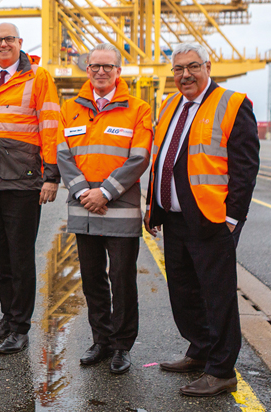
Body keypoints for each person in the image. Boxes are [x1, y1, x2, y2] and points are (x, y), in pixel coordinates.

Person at [144, 42, 259, 397]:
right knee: (183, 293)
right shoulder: (170, 105)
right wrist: (155, 208)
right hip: (175, 219)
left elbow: (245, 167)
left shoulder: (232, 104)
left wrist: (231, 218)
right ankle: (200, 350)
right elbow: (164, 157)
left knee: (217, 296)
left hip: (211, 221)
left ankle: (222, 370)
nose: (185, 75)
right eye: (178, 69)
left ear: (208, 67)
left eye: (192, 67)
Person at [0, 22, 61, 354]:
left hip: (23, 178)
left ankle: (20, 326)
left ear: (20, 42)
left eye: (9, 39)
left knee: (20, 257)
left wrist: (51, 174)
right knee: (0, 256)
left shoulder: (38, 76)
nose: (4, 44)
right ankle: (7, 317)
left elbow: (50, 124)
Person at [57, 43, 152, 374]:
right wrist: (84, 191)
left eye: (107, 67)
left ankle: (122, 346)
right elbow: (63, 154)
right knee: (92, 280)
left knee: (122, 279)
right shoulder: (69, 109)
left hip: (119, 210)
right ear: (87, 70)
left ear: (118, 71)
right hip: (84, 209)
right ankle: (101, 339)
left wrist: (105, 192)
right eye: (95, 66)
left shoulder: (137, 109)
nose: (100, 71)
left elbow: (139, 158)